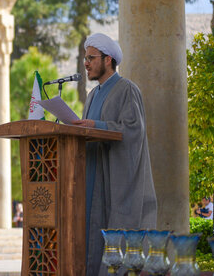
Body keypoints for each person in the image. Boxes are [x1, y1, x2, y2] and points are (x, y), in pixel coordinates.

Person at [71, 32, 157, 276]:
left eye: (91, 58)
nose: (86, 63)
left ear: (108, 60)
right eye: (85, 58)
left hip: (115, 180)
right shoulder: (91, 95)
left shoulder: (127, 90)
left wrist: (97, 127)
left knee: (114, 243)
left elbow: (133, 131)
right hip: (91, 176)